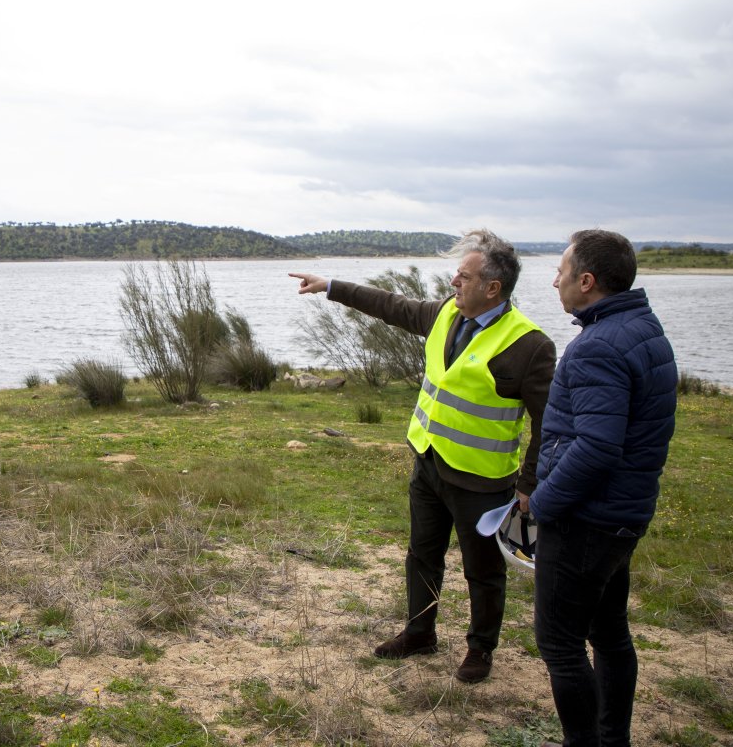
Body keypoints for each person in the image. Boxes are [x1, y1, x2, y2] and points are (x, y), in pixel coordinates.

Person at [290, 229, 555, 683]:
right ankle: (419, 633)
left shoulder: (529, 346)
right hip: (429, 463)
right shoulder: (445, 315)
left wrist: (530, 485)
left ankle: (480, 650)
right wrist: (331, 287)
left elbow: (548, 425)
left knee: (483, 571)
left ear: (492, 288)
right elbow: (392, 305)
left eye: (463, 276)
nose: (453, 282)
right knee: (422, 555)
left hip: (482, 482)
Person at [526, 230, 677, 747]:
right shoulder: (642, 326)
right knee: (609, 632)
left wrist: (543, 503)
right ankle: (613, 739)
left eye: (562, 273)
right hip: (622, 515)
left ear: (586, 282)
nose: (555, 281)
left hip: (586, 521)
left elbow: (596, 446)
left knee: (560, 643)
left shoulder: (598, 346)